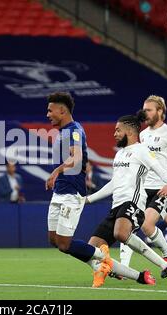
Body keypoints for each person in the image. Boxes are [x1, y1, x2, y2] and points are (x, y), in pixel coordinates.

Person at [84, 111, 167, 287]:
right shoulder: (119, 155)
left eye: (118, 130)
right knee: (92, 249)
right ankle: (119, 270)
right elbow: (113, 184)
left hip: (133, 203)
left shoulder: (142, 151)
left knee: (121, 233)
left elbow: (163, 173)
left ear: (130, 132)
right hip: (116, 206)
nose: (114, 134)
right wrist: (87, 200)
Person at [120, 95, 167, 267]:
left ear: (160, 111)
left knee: (147, 225)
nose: (145, 113)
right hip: (143, 188)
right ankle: (123, 266)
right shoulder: (142, 135)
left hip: (163, 188)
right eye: (144, 110)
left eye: (149, 110)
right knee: (126, 225)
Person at [45, 92, 110, 272]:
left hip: (72, 192)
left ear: (62, 110)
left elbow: (77, 158)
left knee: (64, 244)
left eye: (50, 111)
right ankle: (98, 264)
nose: (47, 115)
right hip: (59, 191)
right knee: (54, 240)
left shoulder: (74, 131)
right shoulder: (62, 132)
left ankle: (102, 257)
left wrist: (56, 172)